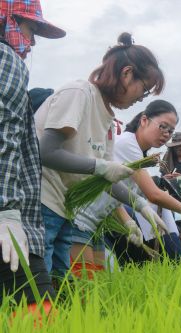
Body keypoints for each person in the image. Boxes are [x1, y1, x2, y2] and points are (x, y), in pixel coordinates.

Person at [35, 32, 167, 279]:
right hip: (42, 203)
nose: (141, 98)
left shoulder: (107, 121)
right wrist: (99, 166)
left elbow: (105, 179)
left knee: (61, 286)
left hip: (65, 210)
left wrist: (138, 204)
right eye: (144, 90)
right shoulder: (79, 94)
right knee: (36, 287)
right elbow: (46, 151)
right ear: (127, 74)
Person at [70, 99, 181, 276]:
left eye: (171, 131)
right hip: (81, 219)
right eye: (163, 126)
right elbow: (153, 194)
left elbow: (114, 192)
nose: (167, 134)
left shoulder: (138, 153)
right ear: (144, 120)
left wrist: (128, 222)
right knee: (82, 282)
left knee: (95, 283)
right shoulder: (128, 145)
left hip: (95, 223)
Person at [0, 0, 64, 313]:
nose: (32, 41)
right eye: (30, 29)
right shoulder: (6, 60)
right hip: (10, 224)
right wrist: (6, 210)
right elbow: (4, 135)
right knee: (39, 315)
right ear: (6, 20)